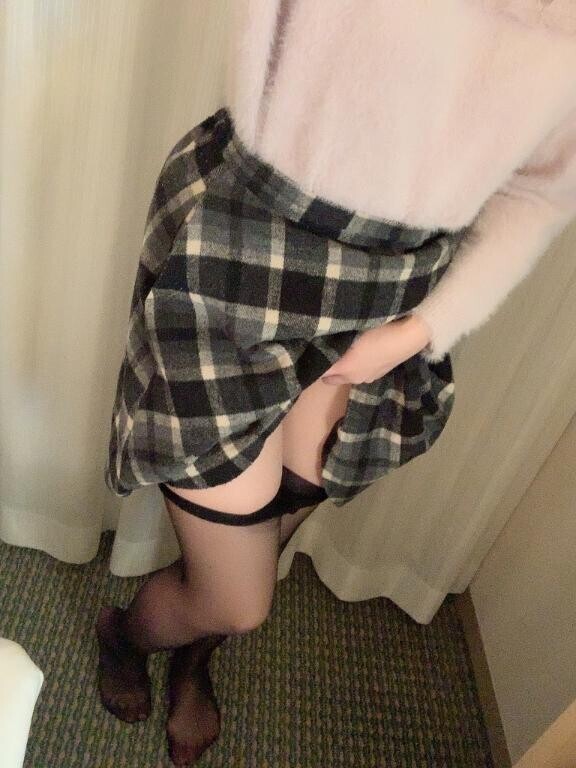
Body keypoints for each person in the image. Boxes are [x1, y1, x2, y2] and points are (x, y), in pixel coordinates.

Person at [97, 2, 576, 765]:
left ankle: (196, 651)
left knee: (285, 507)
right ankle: (125, 634)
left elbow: (542, 191)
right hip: (248, 246)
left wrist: (423, 329)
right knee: (239, 598)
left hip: (390, 296)